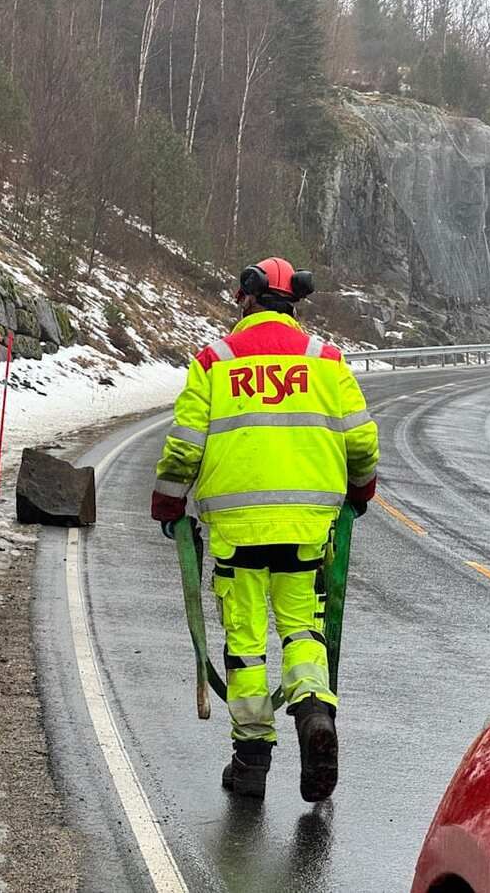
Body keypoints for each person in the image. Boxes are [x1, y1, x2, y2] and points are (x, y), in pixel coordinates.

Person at [151, 257, 379, 803]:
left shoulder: (215, 361)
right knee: (303, 628)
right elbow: (362, 442)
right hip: (306, 528)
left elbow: (184, 445)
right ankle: (314, 713)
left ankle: (251, 762)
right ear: (295, 304)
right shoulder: (327, 361)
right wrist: (360, 492)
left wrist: (169, 503)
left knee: (246, 644)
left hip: (238, 530)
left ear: (246, 299)